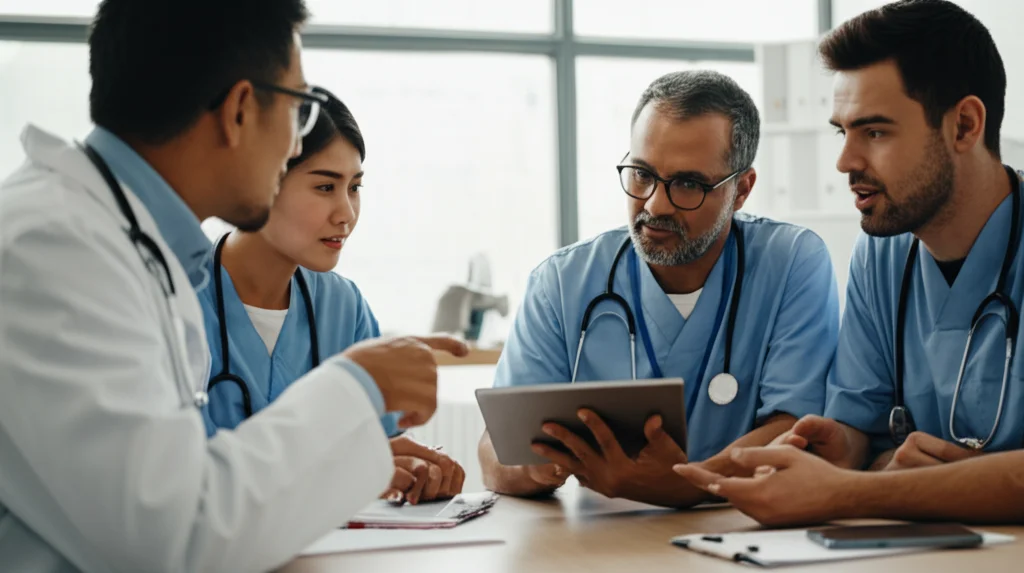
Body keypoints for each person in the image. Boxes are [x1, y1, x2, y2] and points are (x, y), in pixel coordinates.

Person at [0, 1, 465, 571]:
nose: (296, 144)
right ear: (241, 108)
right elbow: (169, 536)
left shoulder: (136, 251)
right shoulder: (53, 248)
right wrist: (354, 384)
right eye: (299, 111)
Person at [675, 0, 1024, 526]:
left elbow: (872, 483)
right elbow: (863, 430)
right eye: (843, 132)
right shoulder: (882, 254)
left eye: (876, 132)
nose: (845, 162)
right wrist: (843, 446)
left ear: (965, 125)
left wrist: (856, 492)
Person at [479, 70, 840, 508]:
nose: (655, 204)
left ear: (741, 189)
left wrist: (689, 484)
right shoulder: (562, 282)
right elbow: (496, 451)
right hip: (602, 544)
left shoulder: (791, 262)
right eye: (641, 174)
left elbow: (794, 426)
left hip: (741, 527)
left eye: (687, 184)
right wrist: (540, 464)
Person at [200, 87, 465, 505]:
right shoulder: (180, 300)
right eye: (325, 187)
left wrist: (416, 470)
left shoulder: (344, 307)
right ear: (263, 178)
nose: (346, 213)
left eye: (354, 187)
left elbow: (381, 447)